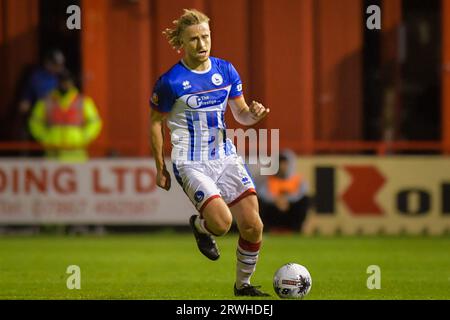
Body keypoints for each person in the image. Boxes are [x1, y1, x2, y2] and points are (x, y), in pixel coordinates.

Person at [149, 9, 270, 296]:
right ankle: (201, 228)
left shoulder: (226, 70)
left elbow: (240, 114)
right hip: (190, 161)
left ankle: (243, 286)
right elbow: (156, 124)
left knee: (253, 225)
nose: (201, 44)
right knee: (222, 223)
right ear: (181, 42)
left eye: (205, 37)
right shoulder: (170, 82)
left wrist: (254, 115)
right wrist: (159, 167)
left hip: (225, 156)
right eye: (193, 39)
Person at [28, 71, 102, 162]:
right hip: (53, 152)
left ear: (72, 83)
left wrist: (83, 137)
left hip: (75, 151)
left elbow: (94, 123)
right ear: (57, 83)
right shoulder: (45, 102)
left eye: (67, 82)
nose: (65, 85)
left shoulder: (84, 102)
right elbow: (35, 122)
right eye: (62, 82)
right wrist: (45, 137)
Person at [258, 150, 310, 233]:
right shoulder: (269, 180)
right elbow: (262, 194)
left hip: (291, 210)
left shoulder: (298, 180)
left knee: (305, 200)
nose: (282, 166)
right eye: (280, 163)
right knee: (258, 201)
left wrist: (286, 200)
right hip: (273, 210)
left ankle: (296, 230)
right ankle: (267, 229)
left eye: (284, 163)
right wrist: (276, 200)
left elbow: (302, 195)